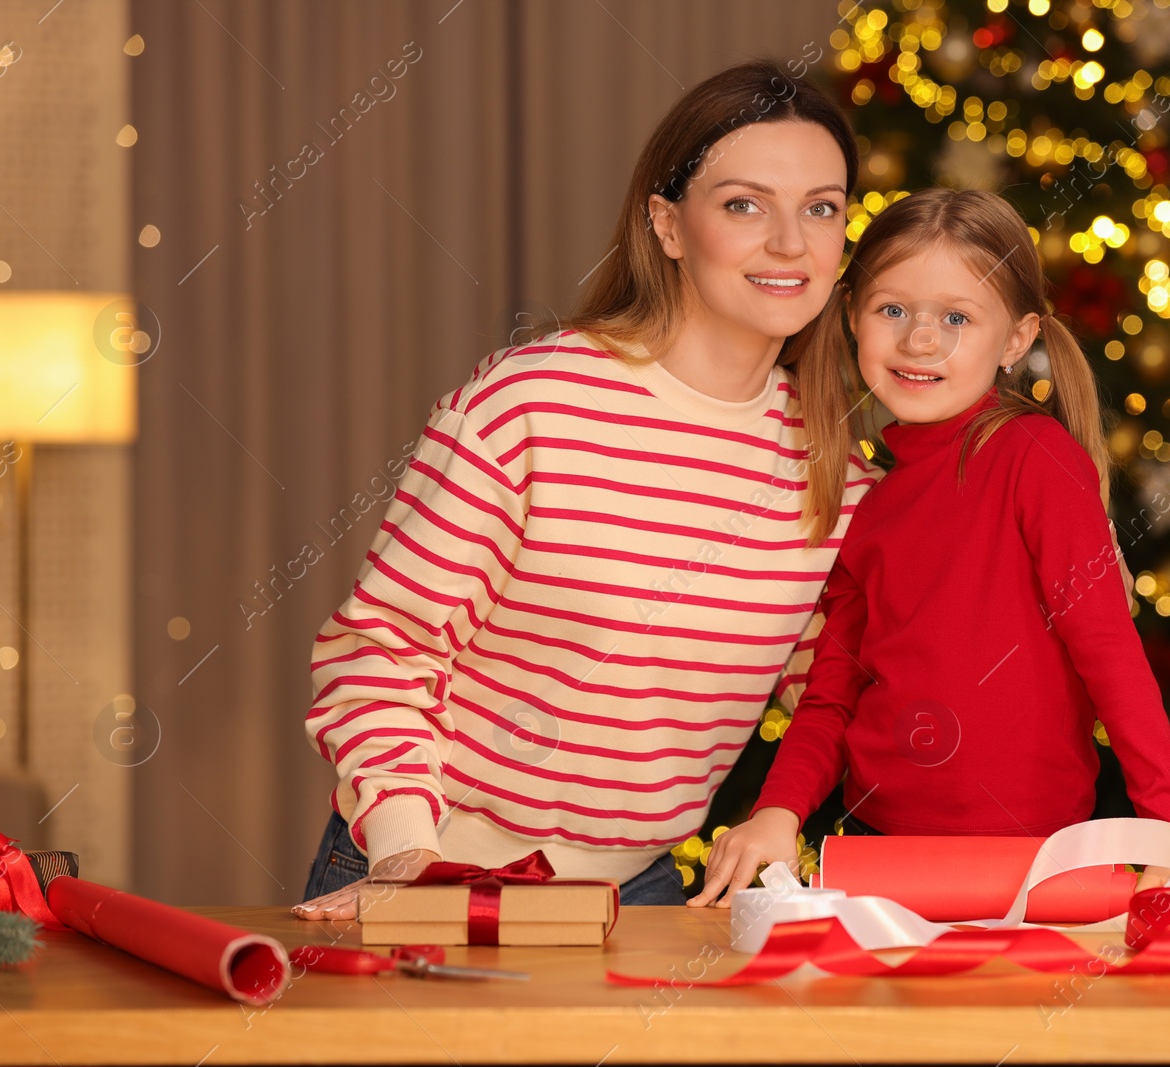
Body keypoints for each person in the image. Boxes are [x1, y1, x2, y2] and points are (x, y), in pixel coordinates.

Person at [293, 58, 883, 918]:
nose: (791, 244)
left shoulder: (838, 473)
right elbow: (380, 649)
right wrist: (406, 860)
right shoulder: (528, 404)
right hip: (428, 868)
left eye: (821, 208)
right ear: (669, 225)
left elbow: (842, 700)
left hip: (634, 893)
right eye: (744, 205)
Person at [691, 188, 1170, 908]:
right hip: (878, 864)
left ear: (1017, 339)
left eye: (956, 318)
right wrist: (778, 810)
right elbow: (833, 692)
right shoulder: (865, 501)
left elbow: (1111, 656)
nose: (920, 340)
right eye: (892, 309)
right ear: (851, 316)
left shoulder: (1035, 458)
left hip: (1040, 867)